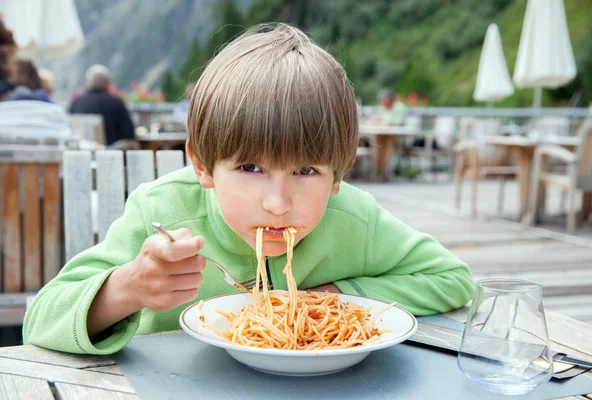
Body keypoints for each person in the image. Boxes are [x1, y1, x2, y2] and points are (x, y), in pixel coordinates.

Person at [23, 24, 473, 355]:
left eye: (307, 172)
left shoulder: (354, 220)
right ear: (203, 165)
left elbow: (454, 280)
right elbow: (40, 320)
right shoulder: (162, 210)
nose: (278, 205)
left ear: (338, 176)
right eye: (250, 166)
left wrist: (329, 300)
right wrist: (127, 288)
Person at [69, 64, 135, 146]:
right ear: (108, 83)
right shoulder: (115, 102)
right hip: (110, 152)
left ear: (89, 82)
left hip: (80, 152)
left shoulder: (76, 103)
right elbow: (129, 133)